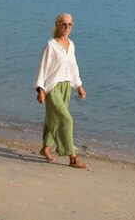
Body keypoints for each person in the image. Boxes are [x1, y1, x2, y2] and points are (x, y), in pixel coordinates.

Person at [34, 12, 87, 169]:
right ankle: (72, 156)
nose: (67, 27)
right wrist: (40, 89)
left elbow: (73, 67)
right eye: (63, 24)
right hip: (52, 88)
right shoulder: (51, 45)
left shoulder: (71, 44)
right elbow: (42, 68)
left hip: (66, 87)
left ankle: (45, 148)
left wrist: (79, 86)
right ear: (57, 24)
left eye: (70, 24)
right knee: (66, 120)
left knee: (53, 119)